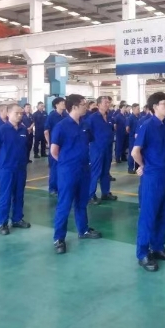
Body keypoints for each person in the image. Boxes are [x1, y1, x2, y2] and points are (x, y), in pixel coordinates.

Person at [51, 94, 102, 254]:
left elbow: (89, 142)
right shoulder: (61, 126)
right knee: (64, 204)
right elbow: (54, 151)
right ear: (74, 107)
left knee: (81, 202)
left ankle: (83, 230)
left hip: (84, 170)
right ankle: (59, 238)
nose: (86, 107)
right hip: (68, 171)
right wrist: (67, 162)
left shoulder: (85, 124)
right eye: (83, 104)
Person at [131, 92, 165, 272]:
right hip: (153, 177)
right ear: (155, 106)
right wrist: (144, 166)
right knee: (148, 215)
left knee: (163, 213)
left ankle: (158, 247)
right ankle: (142, 253)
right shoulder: (147, 125)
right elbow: (135, 152)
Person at [0, 104, 31, 235]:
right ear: (8, 113)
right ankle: (2, 223)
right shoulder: (2, 130)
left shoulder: (23, 129)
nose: (19, 115)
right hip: (7, 169)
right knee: (5, 195)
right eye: (16, 113)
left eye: (21, 113)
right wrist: (3, 162)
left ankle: (17, 219)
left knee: (19, 194)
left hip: (20, 168)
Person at [85, 96, 118, 205]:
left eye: (109, 102)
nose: (108, 104)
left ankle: (105, 193)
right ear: (98, 104)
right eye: (105, 103)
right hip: (97, 148)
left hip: (108, 148)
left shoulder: (110, 117)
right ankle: (90, 195)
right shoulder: (92, 118)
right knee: (95, 171)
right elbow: (86, 132)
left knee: (106, 171)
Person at [44, 97, 68, 196]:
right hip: (55, 145)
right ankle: (53, 188)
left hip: (65, 145)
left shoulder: (66, 115)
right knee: (54, 167)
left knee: (64, 166)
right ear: (56, 105)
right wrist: (50, 144)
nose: (64, 104)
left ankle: (62, 186)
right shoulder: (52, 116)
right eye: (62, 103)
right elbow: (46, 131)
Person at [126, 103, 141, 174]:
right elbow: (127, 128)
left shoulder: (139, 117)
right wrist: (132, 133)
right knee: (132, 153)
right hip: (132, 138)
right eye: (138, 109)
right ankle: (130, 168)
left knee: (138, 152)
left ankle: (137, 167)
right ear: (134, 109)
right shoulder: (130, 118)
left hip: (138, 137)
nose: (139, 110)